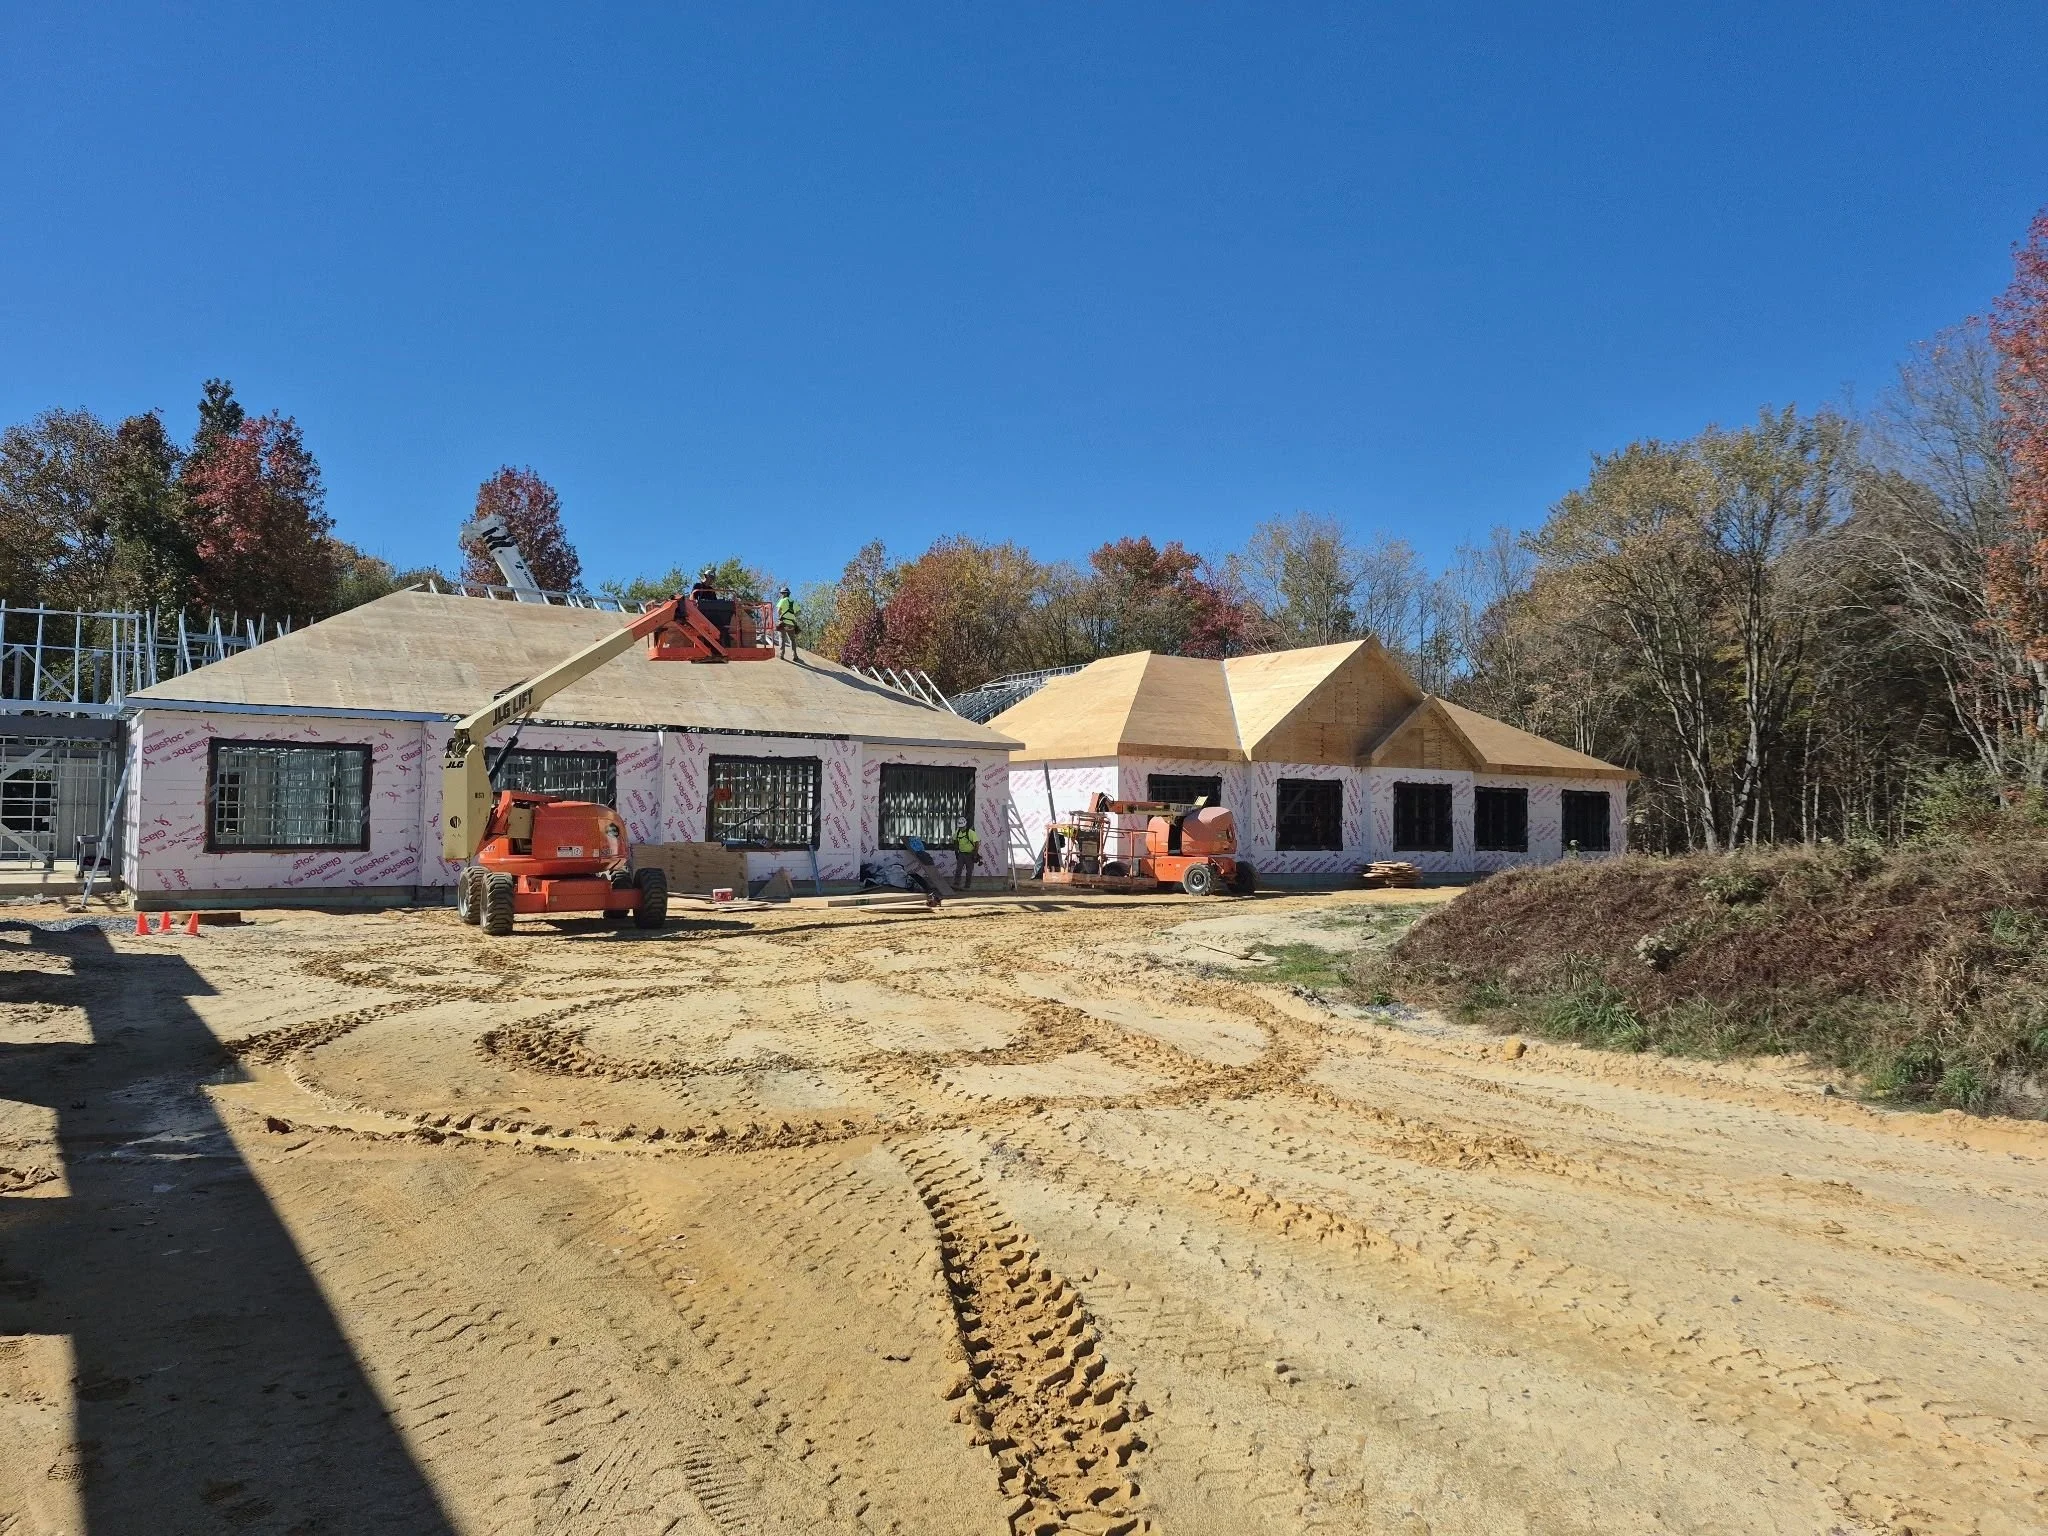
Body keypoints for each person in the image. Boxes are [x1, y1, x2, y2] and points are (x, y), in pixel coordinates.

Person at [903, 835, 943, 908]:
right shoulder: (917, 843)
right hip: (921, 853)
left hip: (921, 853)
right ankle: (935, 898)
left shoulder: (915, 843)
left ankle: (934, 899)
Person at [774, 585, 801, 660]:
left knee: (782, 638)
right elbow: (799, 612)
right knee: (792, 639)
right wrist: (793, 616)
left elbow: (778, 611)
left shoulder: (782, 600)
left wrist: (780, 618)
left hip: (784, 623)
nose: (782, 595)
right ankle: (794, 656)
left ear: (785, 594)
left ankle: (781, 654)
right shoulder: (793, 601)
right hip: (792, 624)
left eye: (783, 593)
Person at [951, 823, 981, 891]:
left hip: (970, 854)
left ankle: (967, 885)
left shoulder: (971, 833)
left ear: (965, 826)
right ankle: (956, 884)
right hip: (961, 853)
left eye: (963, 827)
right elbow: (955, 841)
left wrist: (975, 855)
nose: (961, 829)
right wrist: (956, 852)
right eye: (960, 827)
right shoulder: (958, 832)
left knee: (969, 870)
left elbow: (977, 844)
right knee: (958, 869)